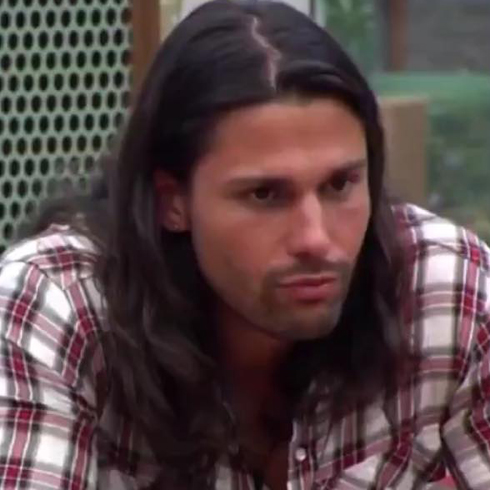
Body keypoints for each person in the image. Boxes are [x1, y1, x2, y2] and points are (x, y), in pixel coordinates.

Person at [0, 1, 489, 489]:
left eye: (340, 185)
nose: (316, 238)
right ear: (173, 201)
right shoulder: (57, 305)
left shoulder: (445, 287)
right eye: (265, 195)